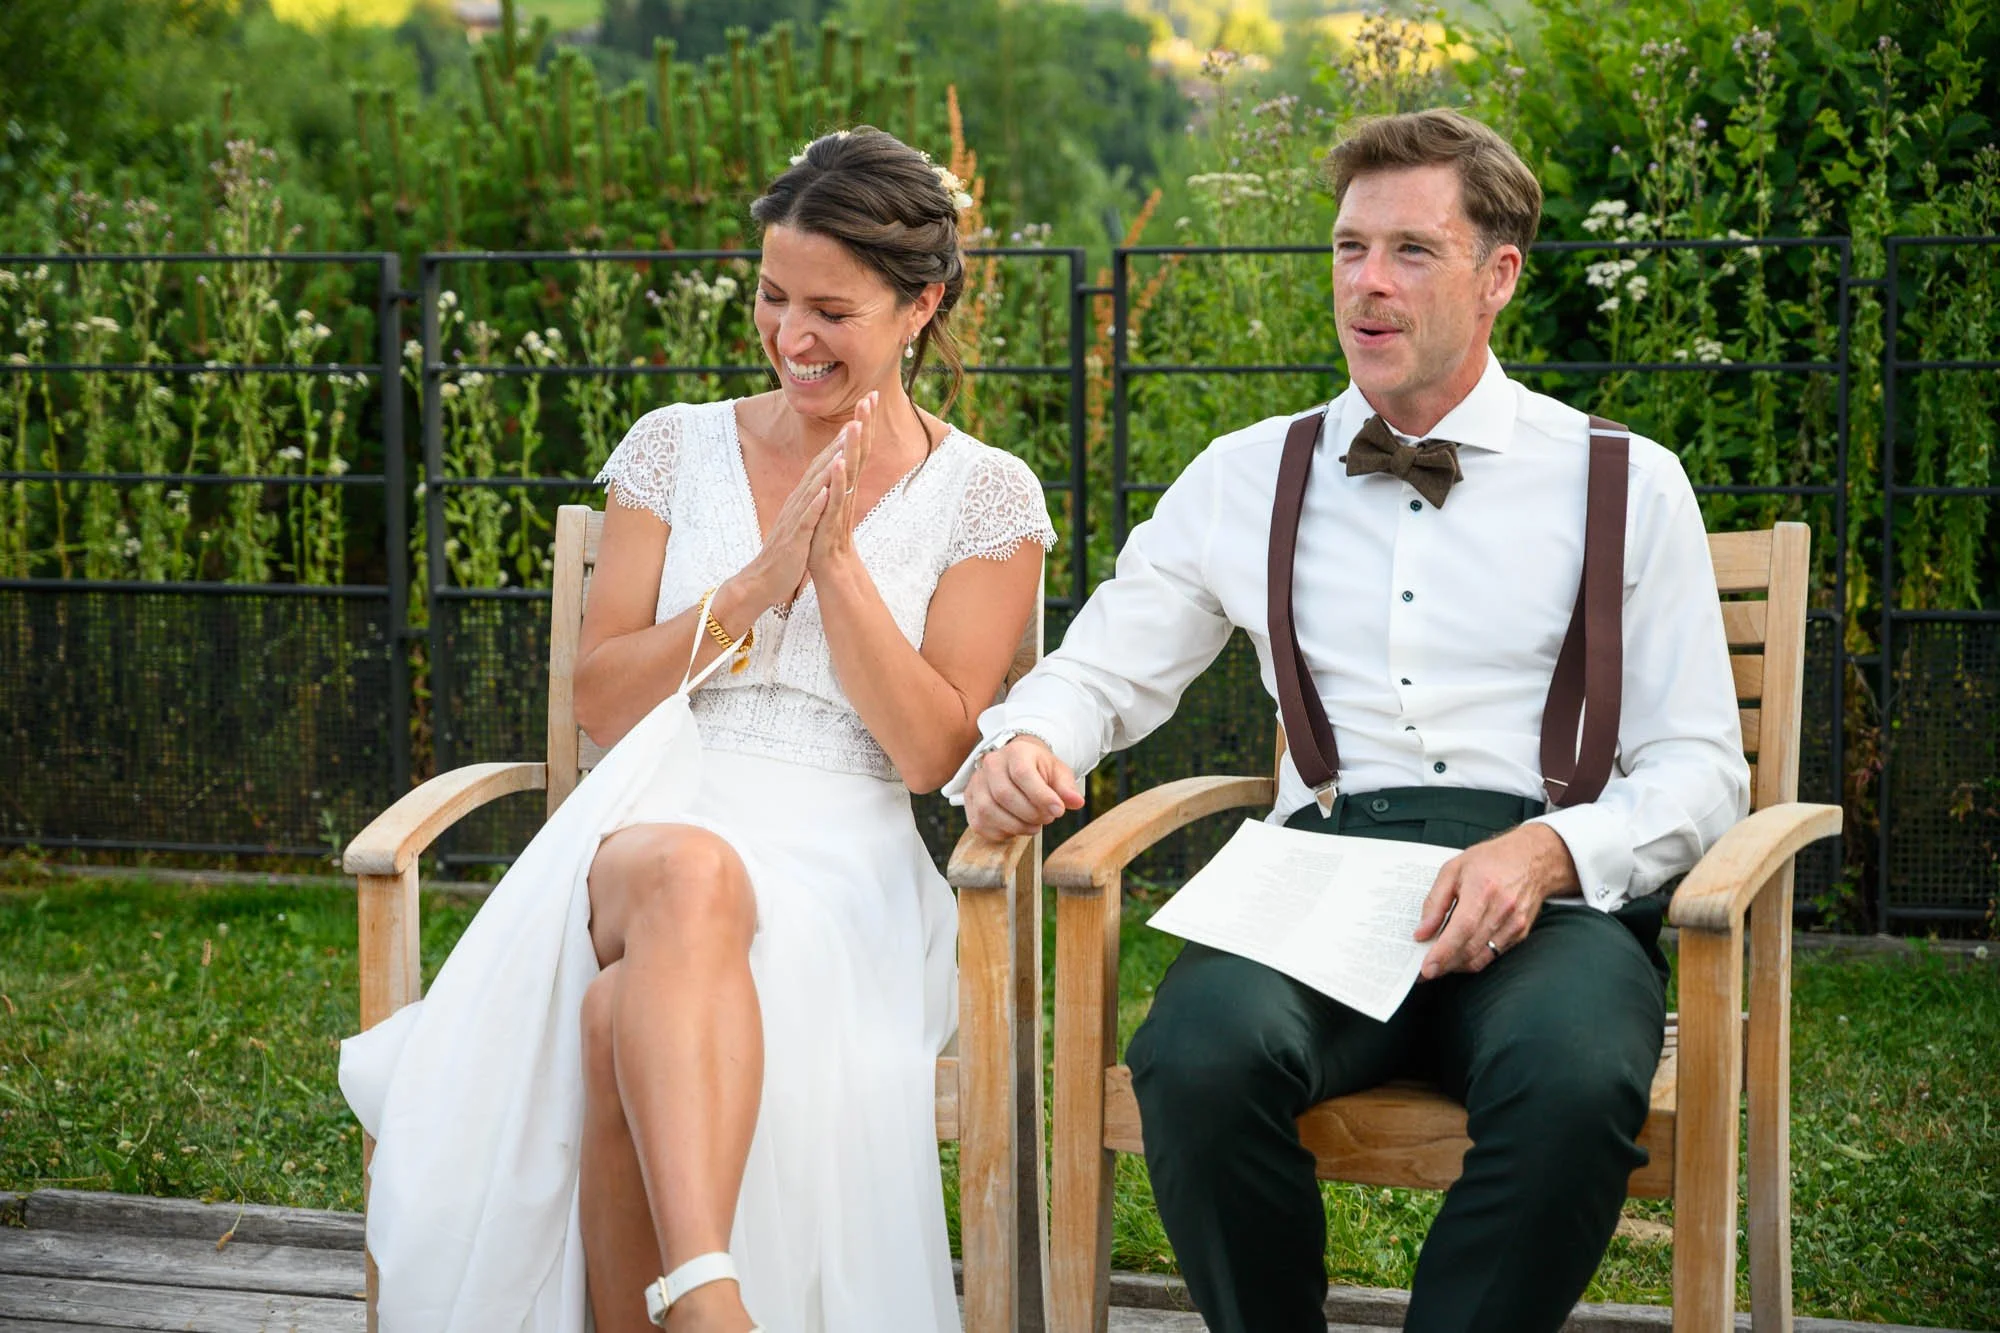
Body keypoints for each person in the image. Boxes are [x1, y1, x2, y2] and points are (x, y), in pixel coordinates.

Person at [953, 108, 1749, 1333]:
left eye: (1410, 251)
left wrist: (1546, 852)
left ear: (1497, 277)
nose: (1366, 284)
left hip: (1550, 889)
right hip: (1320, 882)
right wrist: (1026, 738)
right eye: (1346, 248)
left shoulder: (1624, 480)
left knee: (1579, 1077)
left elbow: (1698, 765)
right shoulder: (1245, 472)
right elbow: (1099, 666)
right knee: (1195, 1055)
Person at [342, 126, 1055, 1333]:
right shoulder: (674, 447)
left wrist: (835, 574)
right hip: (652, 815)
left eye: (831, 309)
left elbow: (934, 753)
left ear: (919, 306)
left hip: (846, 859)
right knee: (687, 869)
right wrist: (751, 588)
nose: (790, 336)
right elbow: (601, 697)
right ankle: (714, 1298)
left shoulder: (986, 494)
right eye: (772, 297)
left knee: (620, 1015)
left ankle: (676, 1299)